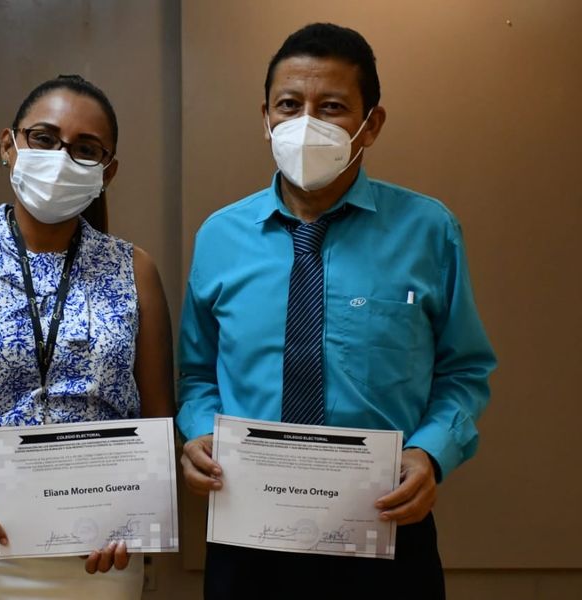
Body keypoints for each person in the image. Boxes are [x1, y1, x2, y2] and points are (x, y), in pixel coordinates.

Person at [177, 23, 497, 599]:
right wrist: (199, 433)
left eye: (331, 107)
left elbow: (464, 370)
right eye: (288, 105)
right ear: (265, 119)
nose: (306, 123)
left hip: (384, 530)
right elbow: (197, 373)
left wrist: (430, 453)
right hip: (249, 535)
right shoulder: (219, 236)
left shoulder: (428, 231)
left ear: (370, 124)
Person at [0, 74, 173, 600]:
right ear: (9, 145)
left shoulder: (134, 270)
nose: (61, 158)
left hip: (96, 535)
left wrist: (133, 513)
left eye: (85, 149)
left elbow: (158, 417)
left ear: (107, 171)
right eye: (44, 138)